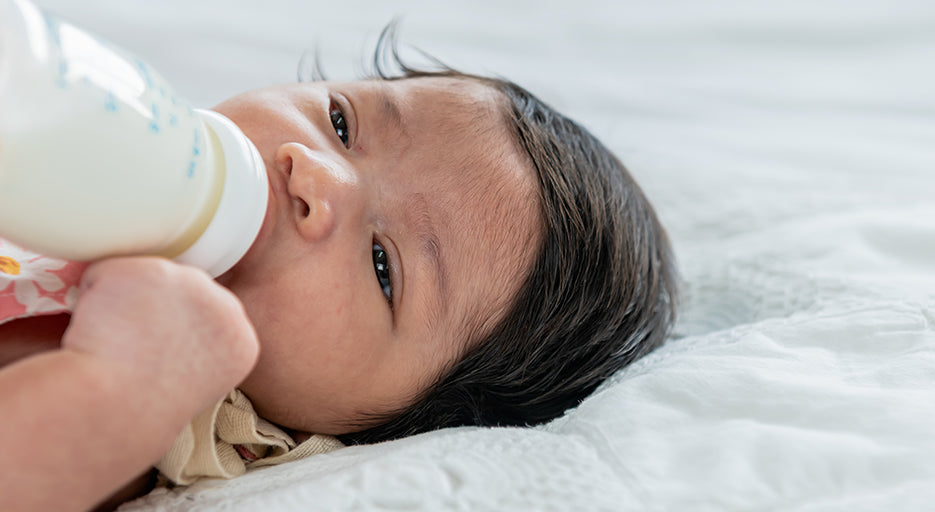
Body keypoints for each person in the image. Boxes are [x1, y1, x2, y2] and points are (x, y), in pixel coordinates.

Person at [0, 26, 679, 511]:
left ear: (385, 428)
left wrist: (124, 389)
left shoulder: (177, 418)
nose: (314, 172)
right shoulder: (102, 142)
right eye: (342, 122)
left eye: (384, 268)